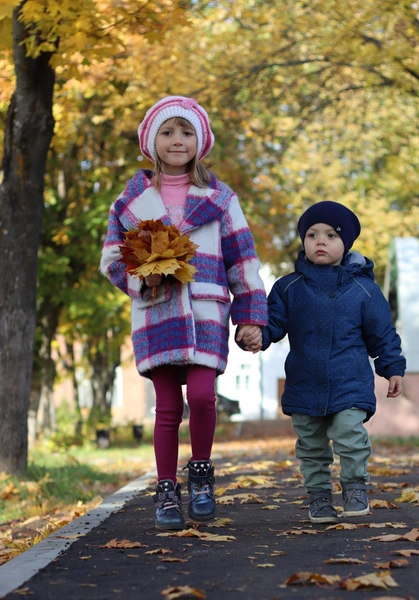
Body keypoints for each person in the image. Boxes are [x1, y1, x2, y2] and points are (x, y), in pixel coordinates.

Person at [100, 96, 267, 530]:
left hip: (207, 309)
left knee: (203, 396)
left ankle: (202, 474)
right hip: (157, 314)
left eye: (186, 132)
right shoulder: (130, 202)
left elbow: (243, 260)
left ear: (201, 141)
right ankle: (166, 489)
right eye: (168, 132)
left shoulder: (220, 200)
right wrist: (142, 279)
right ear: (151, 141)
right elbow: (112, 260)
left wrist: (250, 316)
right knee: (168, 406)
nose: (178, 141)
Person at [242, 201, 405, 524]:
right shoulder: (288, 287)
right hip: (304, 382)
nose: (320, 241)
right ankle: (318, 497)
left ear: (346, 244)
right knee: (311, 445)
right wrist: (256, 335)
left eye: (331, 235)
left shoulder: (364, 289)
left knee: (349, 434)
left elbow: (382, 333)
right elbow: (273, 323)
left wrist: (392, 367)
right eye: (312, 234)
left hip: (350, 380)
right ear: (303, 241)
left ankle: (355, 487)